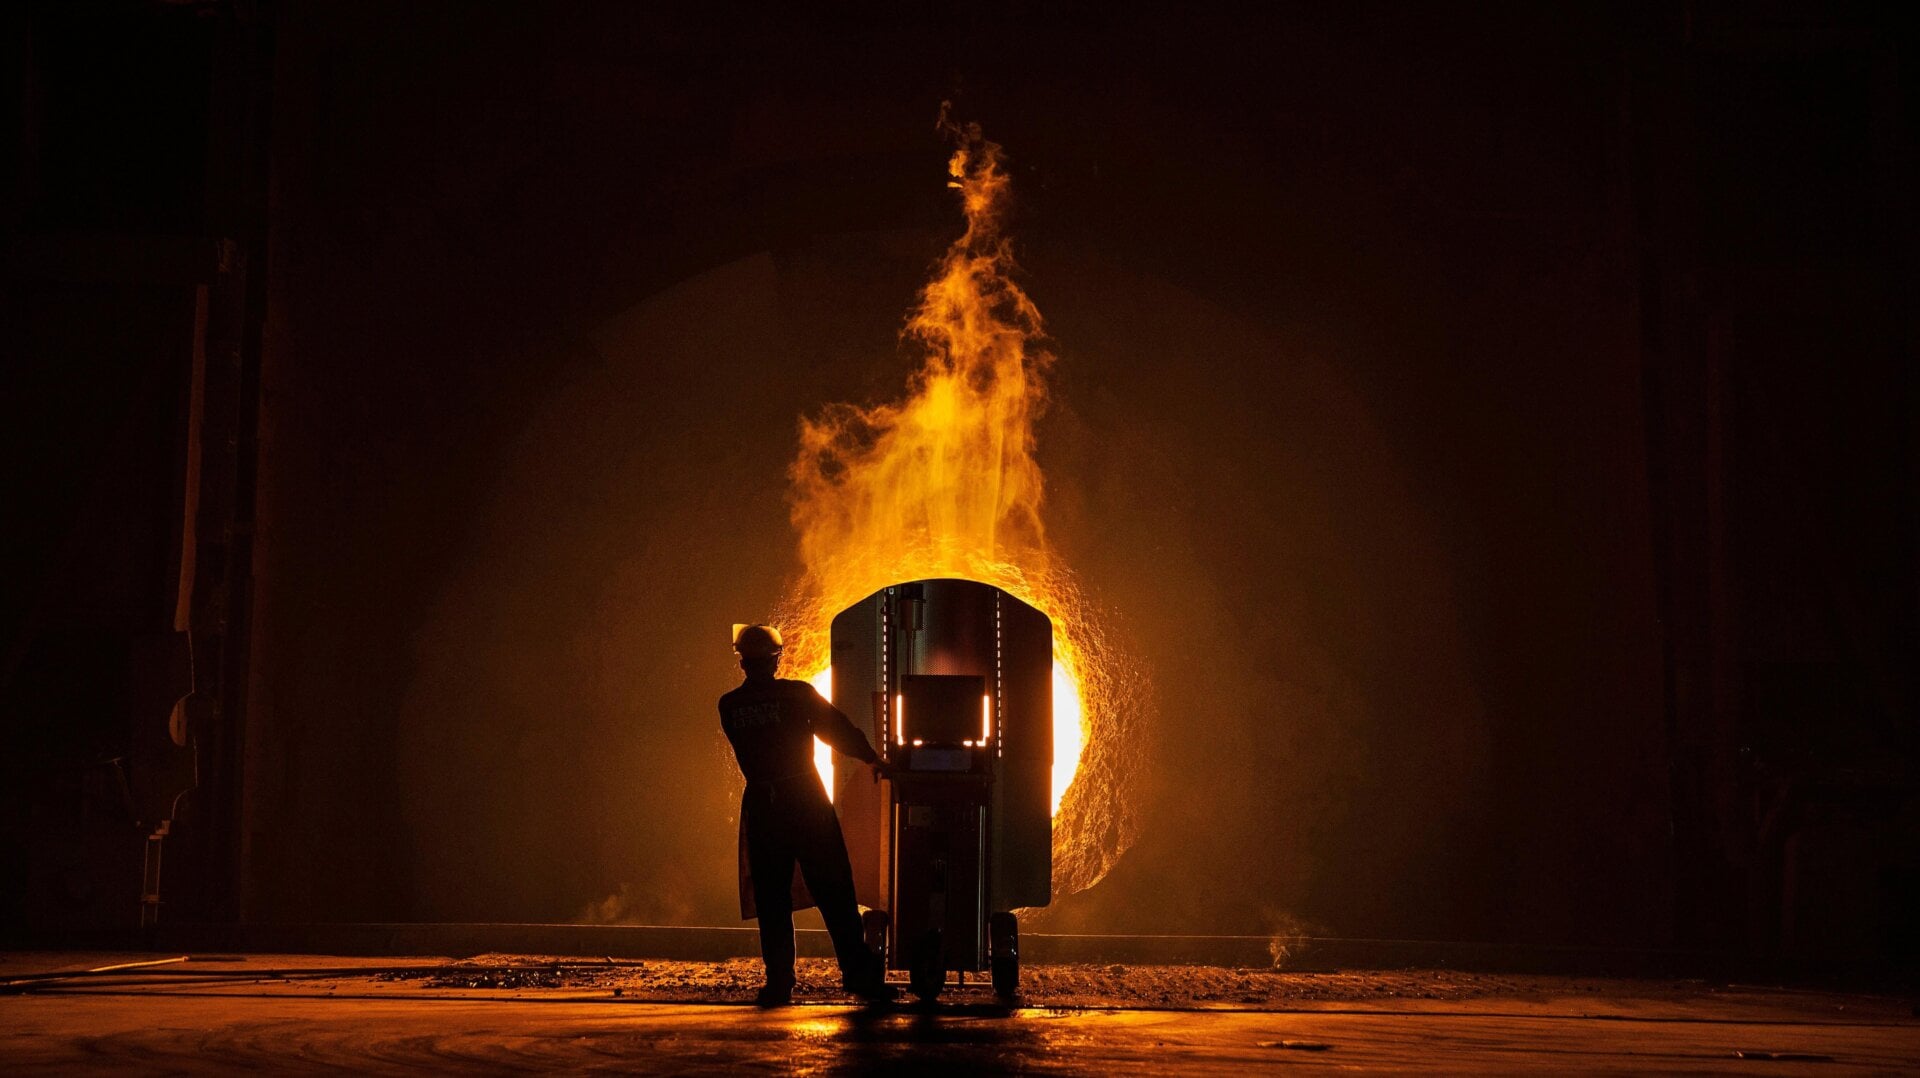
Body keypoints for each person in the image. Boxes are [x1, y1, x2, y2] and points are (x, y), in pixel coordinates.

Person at [718, 623, 897, 1005]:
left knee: (772, 898)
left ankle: (779, 982)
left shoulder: (730, 706)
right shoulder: (797, 695)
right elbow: (837, 730)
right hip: (805, 798)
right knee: (835, 890)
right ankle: (860, 976)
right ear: (776, 659)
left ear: (743, 663)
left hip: (763, 805)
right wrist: (872, 759)